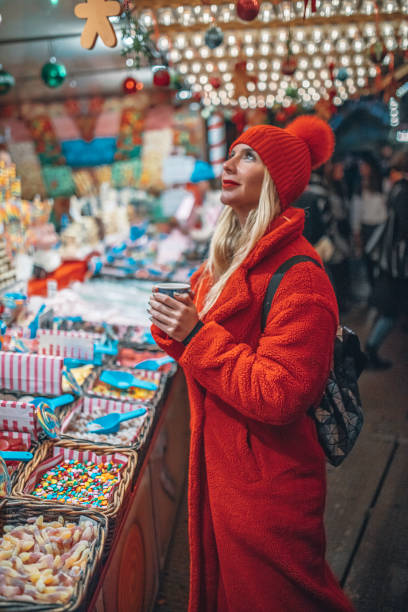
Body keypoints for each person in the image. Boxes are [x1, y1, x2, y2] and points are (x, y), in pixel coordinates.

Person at [148, 116, 355, 612]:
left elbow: (280, 393)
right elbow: (205, 340)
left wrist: (195, 335)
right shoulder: (232, 254)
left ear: (276, 181)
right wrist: (177, 325)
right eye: (232, 152)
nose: (228, 162)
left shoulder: (300, 277)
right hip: (227, 469)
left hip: (267, 487)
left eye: (248, 156)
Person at [364, 149, 408, 369]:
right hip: (397, 265)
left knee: (391, 310)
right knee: (391, 311)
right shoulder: (402, 191)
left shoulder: (398, 190)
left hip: (392, 263)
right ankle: (370, 351)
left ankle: (370, 350)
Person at [350, 155, 388, 295]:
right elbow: (356, 210)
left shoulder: (382, 184)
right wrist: (357, 231)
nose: (361, 169)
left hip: (381, 228)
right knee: (369, 264)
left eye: (364, 166)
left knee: (382, 264)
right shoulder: (359, 185)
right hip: (367, 228)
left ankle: (382, 294)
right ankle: (374, 294)